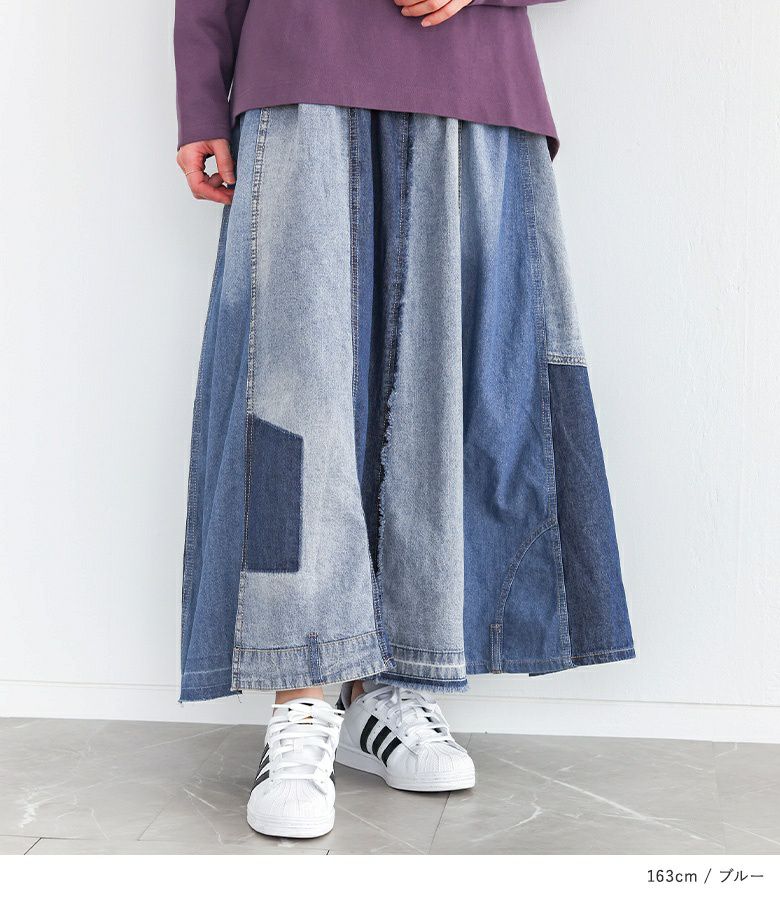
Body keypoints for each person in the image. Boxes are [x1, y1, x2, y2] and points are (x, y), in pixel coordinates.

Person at [174, 0, 636, 840]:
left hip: (471, 82)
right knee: (289, 404)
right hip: (298, 64)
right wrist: (200, 96)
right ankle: (302, 695)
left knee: (453, 398)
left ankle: (393, 688)